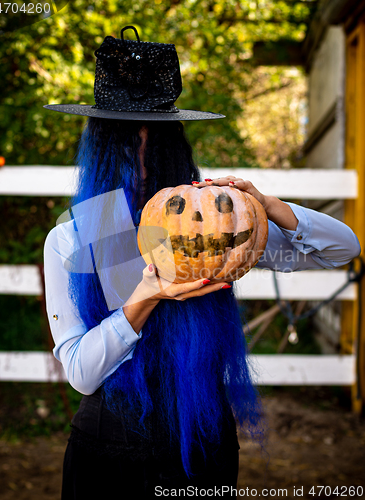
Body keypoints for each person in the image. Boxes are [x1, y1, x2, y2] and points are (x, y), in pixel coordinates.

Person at [43, 27, 361, 499]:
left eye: (159, 145)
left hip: (203, 449)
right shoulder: (72, 238)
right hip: (111, 453)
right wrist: (144, 299)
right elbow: (82, 374)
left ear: (177, 148)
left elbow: (343, 248)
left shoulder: (211, 230)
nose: (144, 163)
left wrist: (270, 205)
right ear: (103, 152)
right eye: (127, 147)